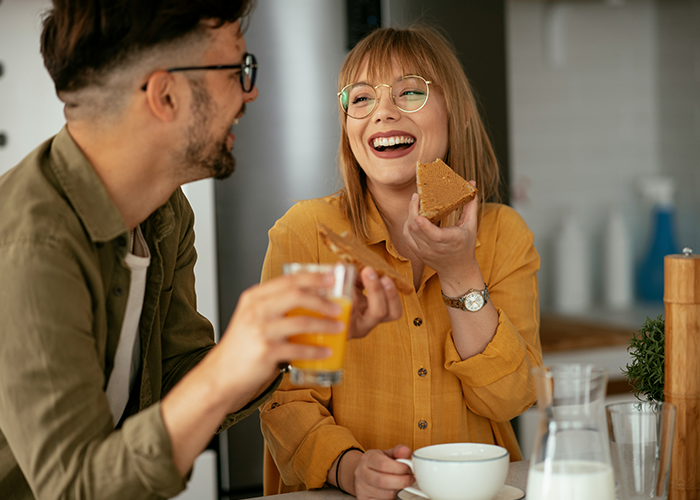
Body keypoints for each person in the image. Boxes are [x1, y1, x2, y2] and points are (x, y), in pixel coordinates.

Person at [0, 2, 401, 499]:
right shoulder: (33, 244)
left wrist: (279, 343)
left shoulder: (165, 212)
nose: (249, 91)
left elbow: (175, 381)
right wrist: (231, 360)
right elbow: (74, 488)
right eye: (237, 69)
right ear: (165, 95)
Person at [259, 26, 543, 499]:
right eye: (362, 99)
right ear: (348, 125)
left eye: (410, 92)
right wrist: (349, 468)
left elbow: (510, 398)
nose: (383, 112)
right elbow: (290, 400)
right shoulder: (310, 234)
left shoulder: (503, 234)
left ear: (456, 113)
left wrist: (458, 271)